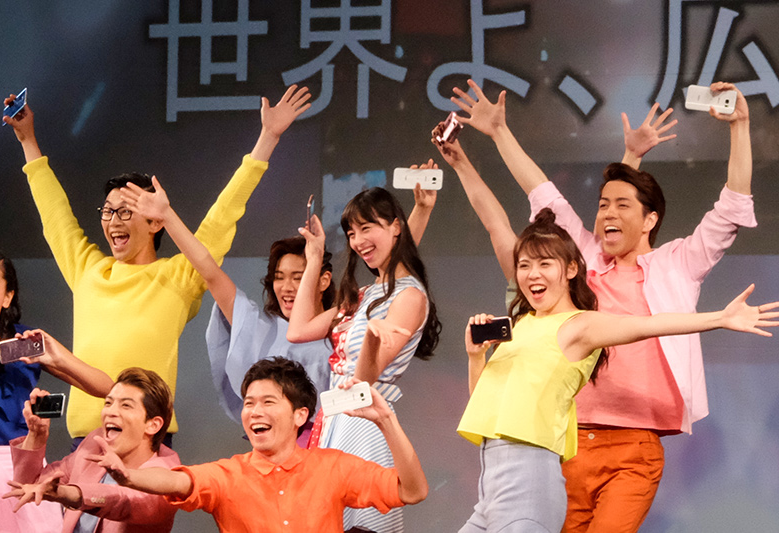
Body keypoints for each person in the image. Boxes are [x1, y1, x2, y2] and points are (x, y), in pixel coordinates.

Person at [449, 79, 755, 531]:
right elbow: (540, 190)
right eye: (602, 205)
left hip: (635, 447)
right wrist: (499, 132)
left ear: (650, 220)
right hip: (568, 442)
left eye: (621, 207)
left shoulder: (678, 263)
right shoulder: (584, 257)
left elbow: (731, 209)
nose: (607, 213)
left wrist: (740, 125)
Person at [3, 85, 312, 446]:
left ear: (153, 221)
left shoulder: (178, 276)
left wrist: (267, 138)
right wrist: (27, 140)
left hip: (148, 440)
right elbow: (54, 214)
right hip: (85, 442)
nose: (113, 221)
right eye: (107, 211)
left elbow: (223, 216)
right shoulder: (88, 269)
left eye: (126, 212)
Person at [456, 209, 777, 533]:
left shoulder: (580, 325)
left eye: (544, 264)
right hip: (491, 486)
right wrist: (475, 357)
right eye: (524, 265)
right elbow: (484, 405)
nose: (532, 274)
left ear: (570, 269)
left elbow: (648, 325)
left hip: (529, 482)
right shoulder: (520, 325)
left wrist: (720, 318)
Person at [117, 167, 436, 448]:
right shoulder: (326, 314)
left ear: (324, 280)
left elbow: (395, 281)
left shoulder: (358, 315)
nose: (287, 286)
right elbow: (210, 272)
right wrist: (168, 217)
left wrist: (420, 213)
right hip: (313, 438)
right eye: (279, 277)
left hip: (347, 432)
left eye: (298, 277)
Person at [85, 357, 428, 533]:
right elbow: (177, 481)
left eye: (268, 402)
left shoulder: (334, 466)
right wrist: (129, 476)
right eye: (249, 403)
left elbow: (412, 491)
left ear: (300, 415)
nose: (254, 412)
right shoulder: (229, 475)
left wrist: (386, 420)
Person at [287, 186, 440, 532]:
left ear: (396, 226)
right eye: (351, 233)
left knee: (359, 523)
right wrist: (315, 256)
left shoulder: (410, 296)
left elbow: (365, 382)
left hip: (364, 423)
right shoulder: (365, 294)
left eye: (366, 228)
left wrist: (371, 339)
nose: (357, 241)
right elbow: (298, 330)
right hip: (334, 418)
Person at [0, 248, 113, 532]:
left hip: (22, 478)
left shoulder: (23, 344)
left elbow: (107, 388)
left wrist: (58, 356)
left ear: (7, 296)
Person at [3, 367, 179, 532]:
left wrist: (66, 493)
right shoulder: (95, 445)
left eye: (126, 405)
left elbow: (121, 500)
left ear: (153, 425)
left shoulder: (167, 474)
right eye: (108, 403)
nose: (110, 412)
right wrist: (36, 435)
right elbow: (28, 486)